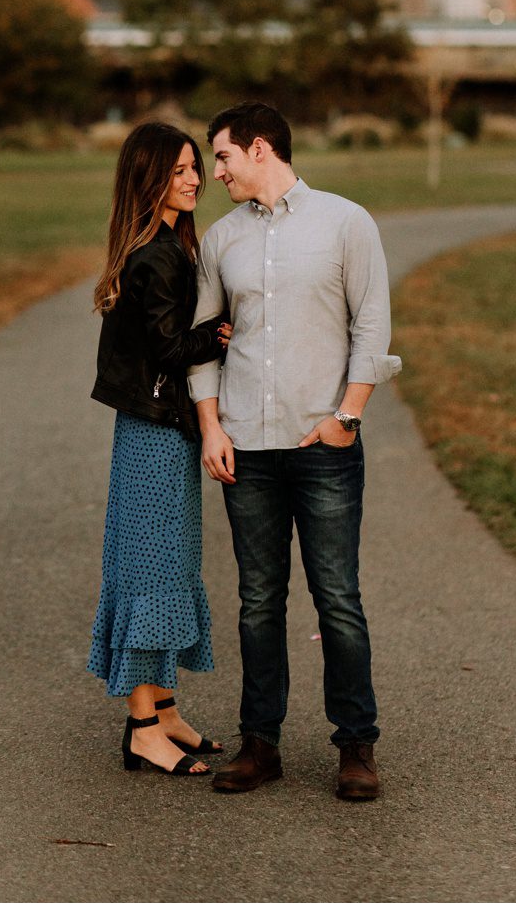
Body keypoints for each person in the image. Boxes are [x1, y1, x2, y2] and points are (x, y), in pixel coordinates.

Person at [188, 101, 400, 802]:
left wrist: (348, 417)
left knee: (337, 598)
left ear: (258, 149)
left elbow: (371, 329)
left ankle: (356, 746)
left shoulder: (346, 223)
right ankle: (260, 744)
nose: (214, 171)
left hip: (323, 445)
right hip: (247, 447)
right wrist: (214, 429)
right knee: (257, 600)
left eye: (220, 156)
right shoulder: (220, 240)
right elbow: (203, 344)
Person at [87, 121, 233, 775]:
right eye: (178, 171)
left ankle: (166, 710)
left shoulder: (162, 244)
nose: (194, 179)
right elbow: (171, 350)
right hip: (154, 435)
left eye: (195, 167)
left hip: (151, 430)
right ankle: (142, 727)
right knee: (152, 572)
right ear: (150, 180)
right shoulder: (159, 256)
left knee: (166, 567)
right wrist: (224, 334)